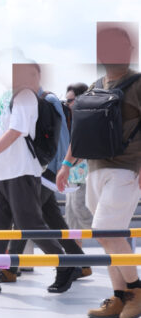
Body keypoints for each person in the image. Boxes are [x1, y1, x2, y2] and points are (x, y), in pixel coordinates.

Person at [0, 62, 79, 294]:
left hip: (21, 171)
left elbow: (16, 131)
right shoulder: (8, 95)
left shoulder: (26, 96)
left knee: (29, 224)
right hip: (2, 171)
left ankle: (65, 264)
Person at [56, 24, 141, 318]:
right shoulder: (95, 86)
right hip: (94, 170)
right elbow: (81, 132)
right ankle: (119, 297)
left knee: (105, 231)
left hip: (126, 170)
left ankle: (136, 290)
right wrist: (66, 164)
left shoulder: (138, 84)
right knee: (108, 237)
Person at [3, 80, 90, 292]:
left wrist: (59, 168)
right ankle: (81, 262)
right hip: (40, 169)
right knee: (52, 218)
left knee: (25, 216)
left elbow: (61, 138)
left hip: (47, 169)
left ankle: (10, 268)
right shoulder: (35, 101)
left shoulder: (48, 100)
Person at [62, 82, 93, 230]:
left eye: (70, 100)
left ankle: (113, 240)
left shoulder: (89, 118)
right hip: (72, 176)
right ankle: (75, 248)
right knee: (71, 221)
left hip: (84, 176)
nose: (67, 104)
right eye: (66, 101)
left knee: (84, 214)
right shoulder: (71, 120)